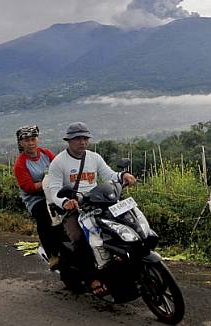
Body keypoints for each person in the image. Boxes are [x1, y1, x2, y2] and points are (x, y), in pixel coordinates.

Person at [44, 121, 136, 295]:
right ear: (69, 141)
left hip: (98, 203)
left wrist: (124, 175)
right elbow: (54, 190)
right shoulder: (59, 162)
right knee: (80, 239)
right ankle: (91, 278)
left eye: (85, 138)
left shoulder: (94, 158)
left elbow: (109, 175)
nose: (82, 142)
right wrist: (65, 202)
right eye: (77, 139)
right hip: (74, 209)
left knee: (121, 229)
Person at [12, 124, 61, 269]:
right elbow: (28, 188)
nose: (31, 143)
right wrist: (46, 182)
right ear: (21, 143)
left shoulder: (46, 154)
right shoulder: (20, 164)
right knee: (44, 216)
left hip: (53, 193)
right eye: (27, 140)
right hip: (36, 199)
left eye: (33, 139)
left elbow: (58, 168)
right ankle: (52, 254)